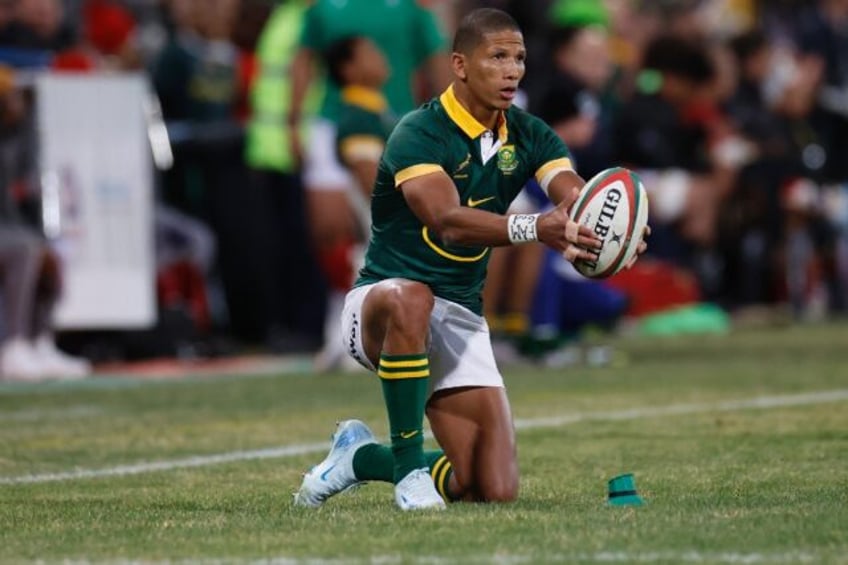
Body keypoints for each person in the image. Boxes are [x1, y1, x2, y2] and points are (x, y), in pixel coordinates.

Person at [293, 8, 647, 511]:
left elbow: (571, 195)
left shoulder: (530, 134)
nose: (512, 70)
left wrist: (611, 229)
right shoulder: (419, 130)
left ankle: (359, 458)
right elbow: (446, 219)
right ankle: (411, 471)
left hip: (458, 314)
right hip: (381, 304)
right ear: (460, 65)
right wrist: (535, 227)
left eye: (519, 58)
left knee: (489, 487)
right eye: (497, 56)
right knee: (411, 297)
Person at [286, 0, 450, 366]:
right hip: (334, 119)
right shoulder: (325, 8)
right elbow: (303, 58)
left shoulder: (411, 8)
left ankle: (361, 331)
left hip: (396, 119)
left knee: (379, 231)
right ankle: (345, 327)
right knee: (333, 231)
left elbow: (436, 59)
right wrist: (292, 121)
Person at [312, 35, 395, 371]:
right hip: (383, 210)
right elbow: (369, 177)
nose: (380, 56)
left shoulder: (374, 108)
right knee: (374, 269)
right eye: (370, 53)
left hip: (383, 213)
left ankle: (338, 341)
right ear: (348, 69)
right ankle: (349, 344)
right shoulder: (358, 116)